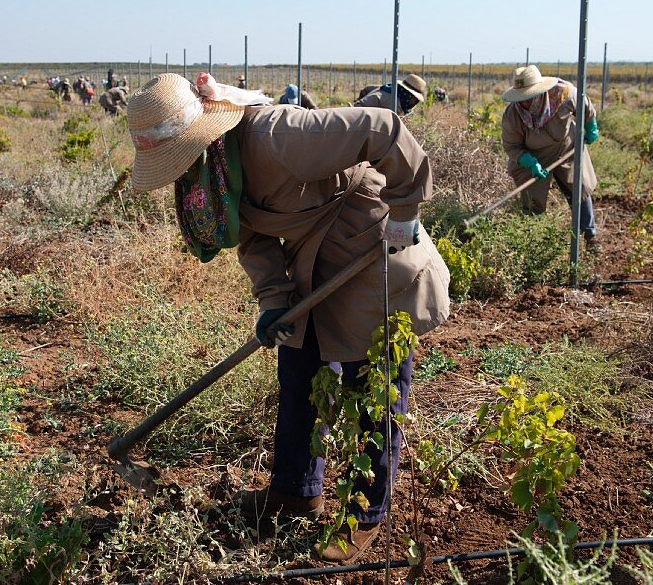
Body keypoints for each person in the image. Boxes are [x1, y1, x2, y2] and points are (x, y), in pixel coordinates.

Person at [126, 73, 450, 563]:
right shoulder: (208, 170)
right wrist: (274, 298)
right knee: (300, 373)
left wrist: (405, 209)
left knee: (373, 387)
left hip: (375, 247)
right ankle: (296, 492)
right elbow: (251, 236)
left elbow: (382, 128)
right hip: (312, 265)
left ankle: (364, 514)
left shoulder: (275, 136)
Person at [501, 65, 600, 244]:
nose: (525, 102)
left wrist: (591, 126)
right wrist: (528, 161)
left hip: (566, 147)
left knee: (579, 188)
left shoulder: (565, 94)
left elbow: (585, 107)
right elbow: (511, 146)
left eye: (529, 96)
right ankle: (535, 241)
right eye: (522, 97)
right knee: (533, 201)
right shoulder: (512, 115)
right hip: (533, 155)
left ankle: (589, 235)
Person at [354, 73, 426, 116]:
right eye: (413, 99)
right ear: (407, 94)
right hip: (358, 115)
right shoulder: (392, 102)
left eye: (416, 100)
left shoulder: (394, 93)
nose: (413, 103)